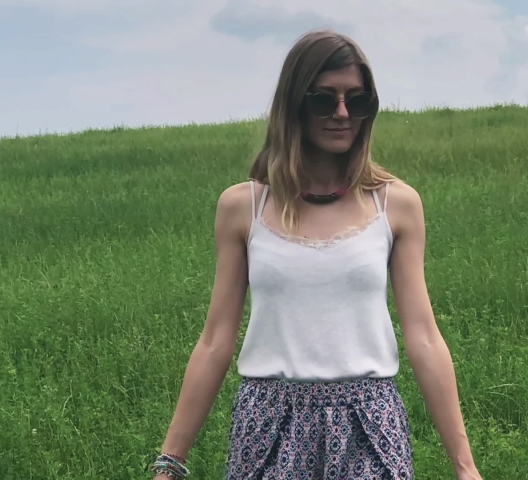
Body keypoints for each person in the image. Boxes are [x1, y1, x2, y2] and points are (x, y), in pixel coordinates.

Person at [150, 29, 483, 480]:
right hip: (270, 424)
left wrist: (465, 468)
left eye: (357, 100)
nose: (342, 114)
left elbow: (424, 337)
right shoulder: (243, 207)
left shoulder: (396, 204)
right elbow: (214, 342)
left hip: (369, 423)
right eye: (324, 100)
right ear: (294, 105)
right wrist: (170, 462)